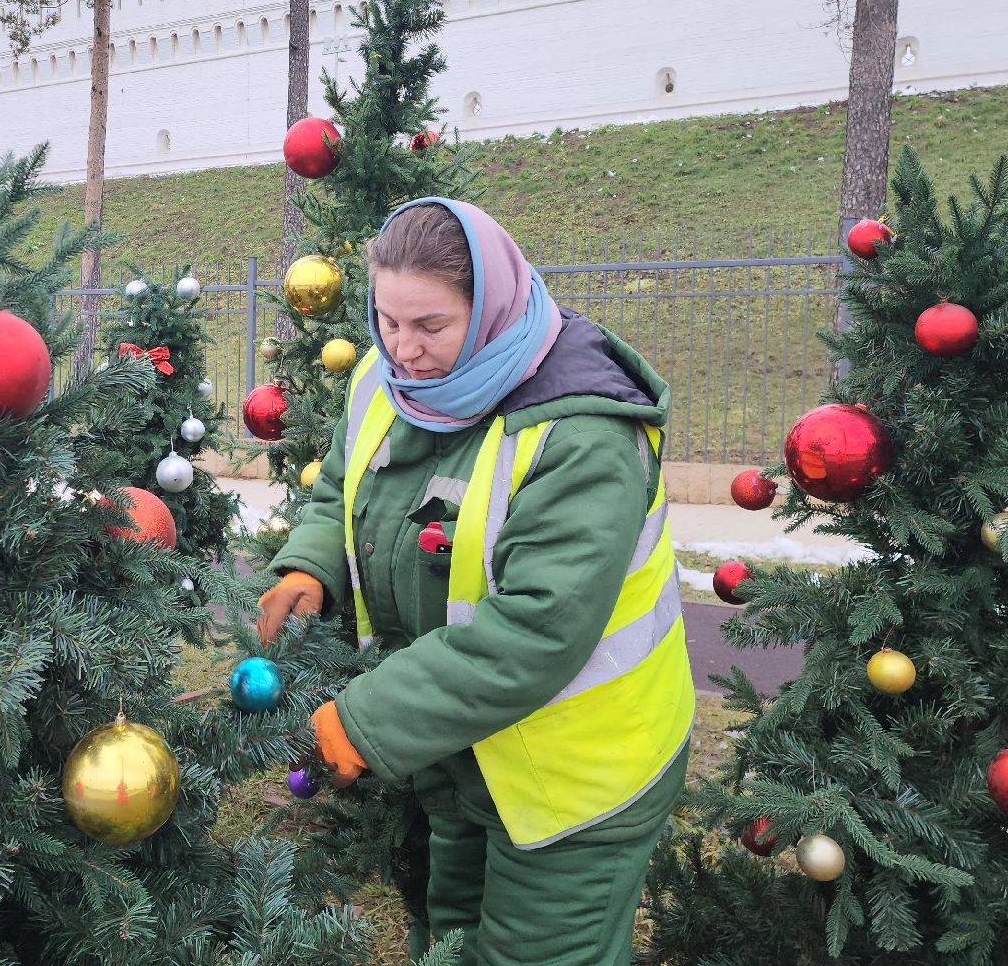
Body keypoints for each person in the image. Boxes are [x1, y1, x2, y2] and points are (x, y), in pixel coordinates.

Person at [258, 197, 696, 966]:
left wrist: (365, 719)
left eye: (431, 326)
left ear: (490, 306)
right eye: (388, 320)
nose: (405, 349)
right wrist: (311, 562)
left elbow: (537, 629)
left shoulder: (582, 435)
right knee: (450, 940)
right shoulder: (383, 382)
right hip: (464, 749)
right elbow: (341, 486)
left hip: (577, 777)